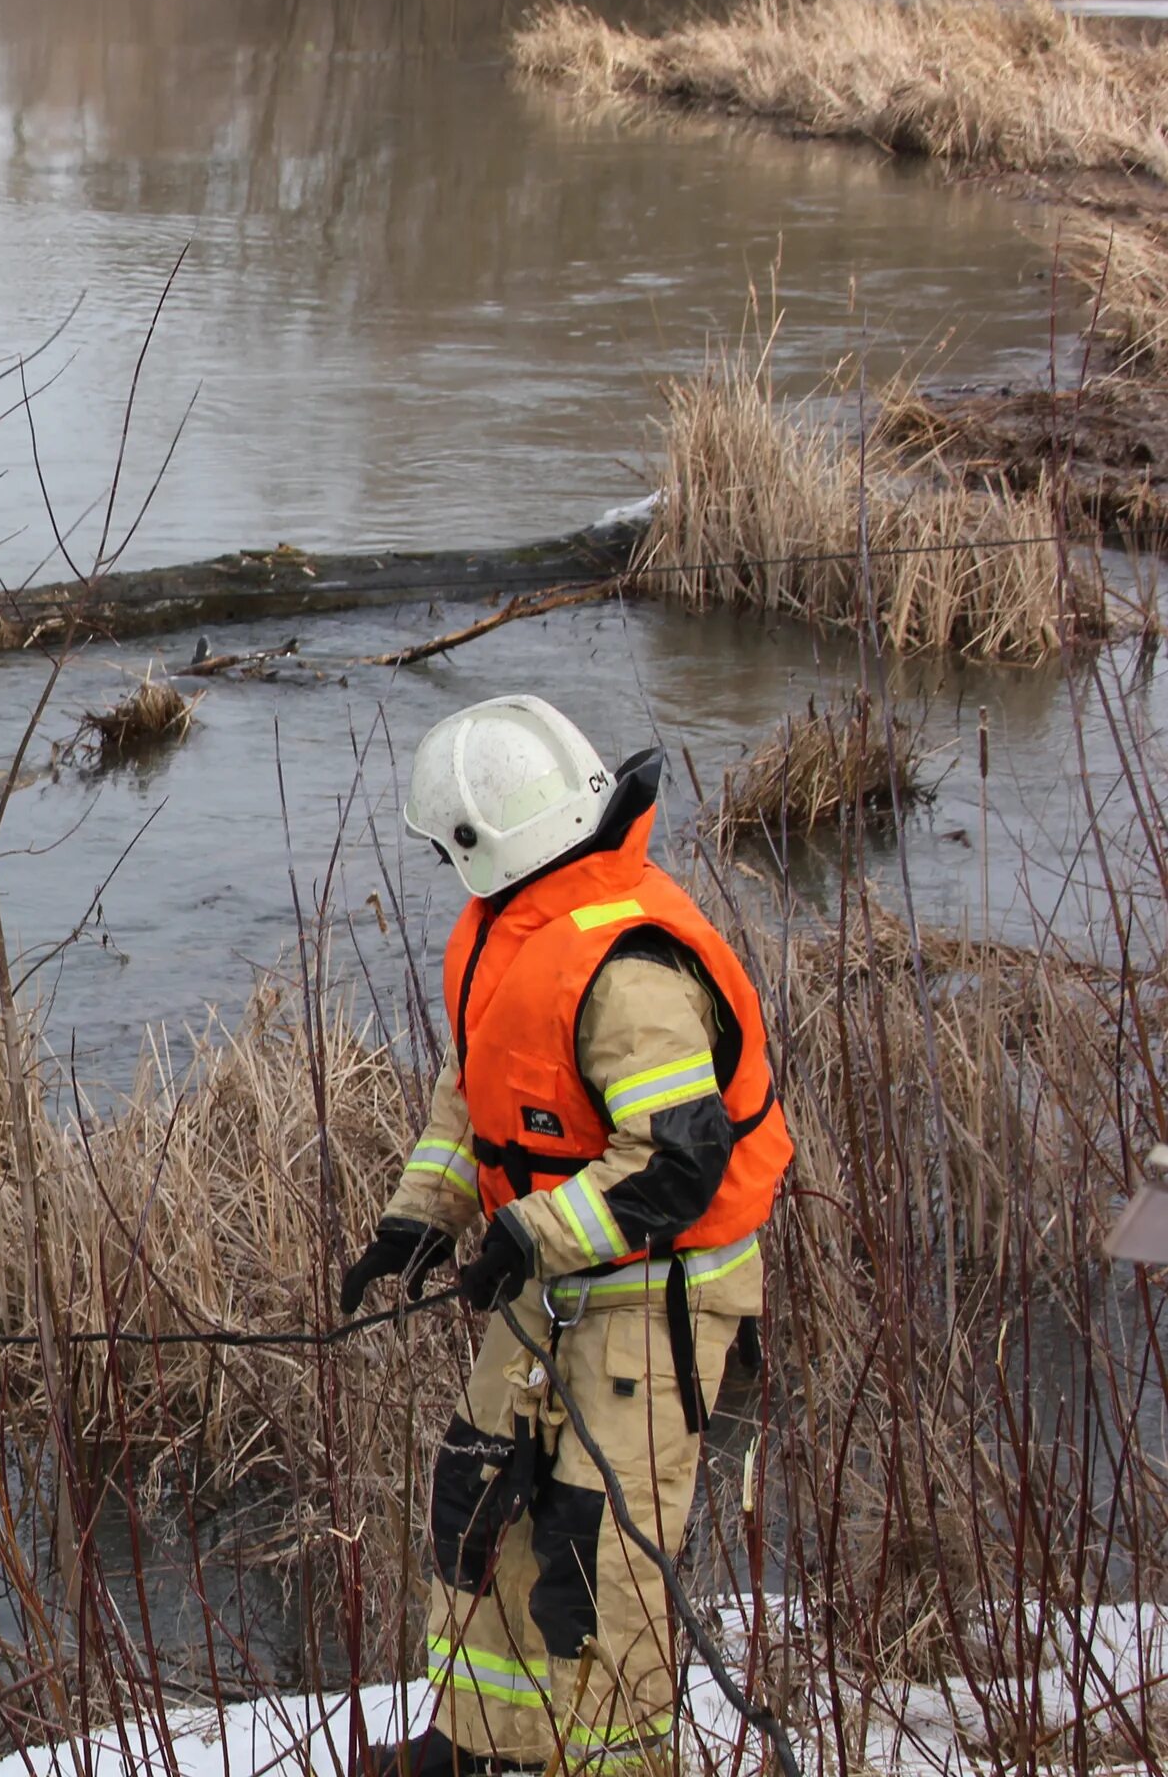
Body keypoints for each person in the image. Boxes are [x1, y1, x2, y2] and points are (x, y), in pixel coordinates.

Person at [342, 696, 794, 1777]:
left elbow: (676, 1163)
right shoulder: (524, 926)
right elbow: (480, 1100)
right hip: (552, 1279)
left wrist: (529, 1233)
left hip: (653, 1293)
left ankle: (615, 1765)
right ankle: (480, 1745)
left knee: (599, 1559)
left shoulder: (629, 968)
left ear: (480, 838)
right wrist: (421, 1217)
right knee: (478, 1495)